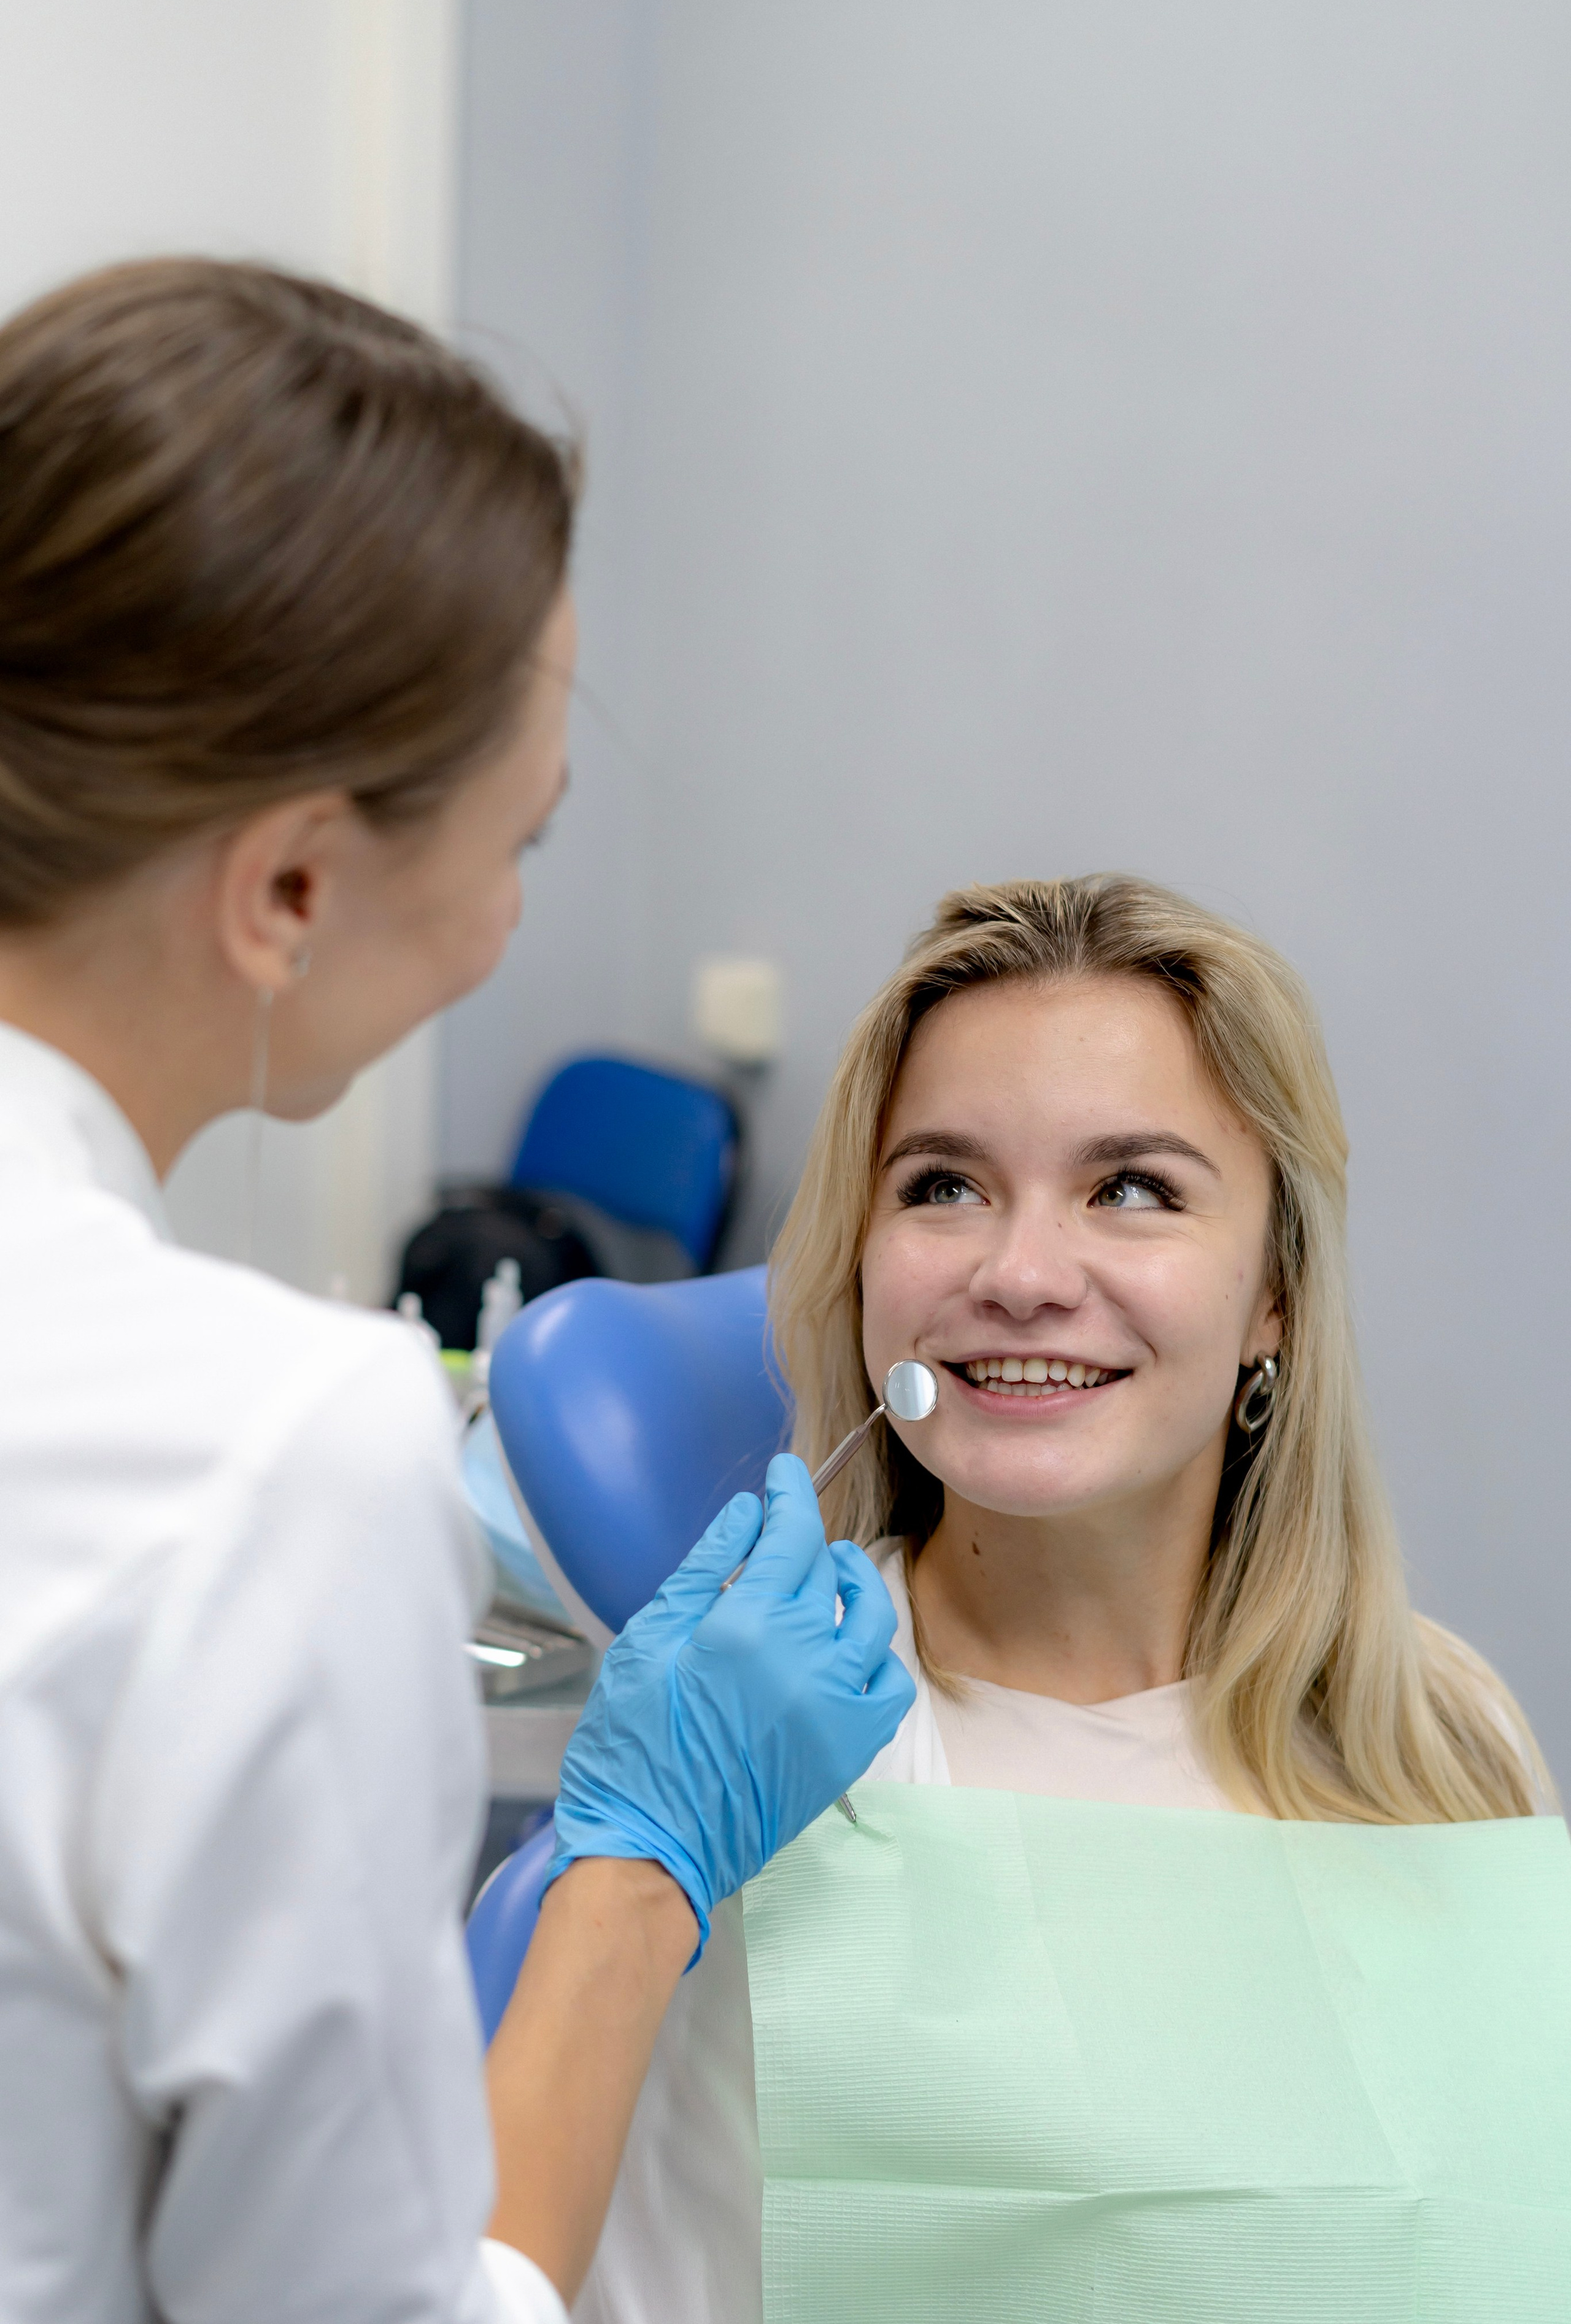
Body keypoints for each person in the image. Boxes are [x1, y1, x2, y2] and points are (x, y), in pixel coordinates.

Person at [0, 258, 913, 2324]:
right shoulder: (255, 1447)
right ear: (296, 883)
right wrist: (641, 1863)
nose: (512, 921)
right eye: (522, 839)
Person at [577, 872, 1571, 2323]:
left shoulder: (1437, 1733)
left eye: (1130, 1188)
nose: (1019, 1272)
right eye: (941, 1185)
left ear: (1272, 1292)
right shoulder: (752, 1748)